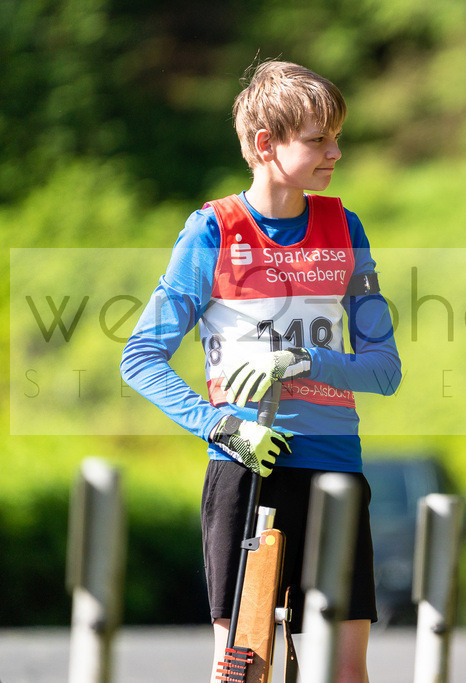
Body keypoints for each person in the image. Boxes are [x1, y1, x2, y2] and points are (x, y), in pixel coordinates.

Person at [120, 59, 401, 683]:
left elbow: (384, 371)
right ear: (266, 145)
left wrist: (303, 359)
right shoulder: (212, 233)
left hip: (335, 468)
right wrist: (220, 426)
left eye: (337, 136)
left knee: (344, 673)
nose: (336, 152)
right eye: (318, 139)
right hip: (248, 470)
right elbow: (140, 358)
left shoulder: (343, 228)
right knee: (244, 669)